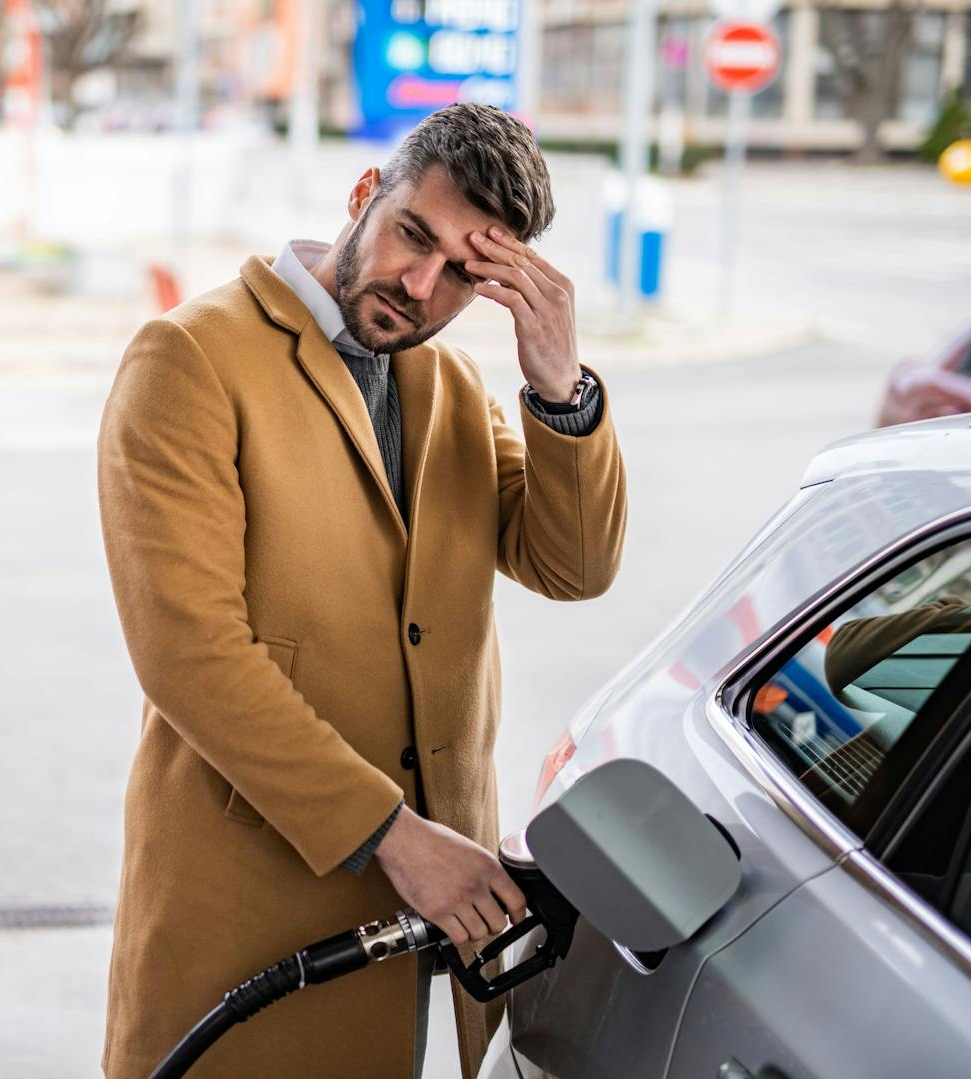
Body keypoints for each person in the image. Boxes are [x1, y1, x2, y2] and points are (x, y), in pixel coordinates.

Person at [96, 103, 628, 1079]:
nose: (419, 285)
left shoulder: (453, 391)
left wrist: (559, 385)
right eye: (409, 235)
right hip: (256, 911)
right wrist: (389, 832)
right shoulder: (191, 357)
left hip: (434, 911)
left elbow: (573, 565)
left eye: (463, 273)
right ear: (361, 196)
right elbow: (189, 652)